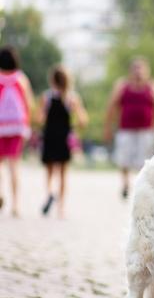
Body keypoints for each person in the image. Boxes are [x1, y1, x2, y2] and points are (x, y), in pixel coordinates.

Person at [103, 58, 154, 199]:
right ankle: (125, 184)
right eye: (135, 69)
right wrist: (107, 127)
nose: (138, 72)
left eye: (141, 69)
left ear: (147, 71)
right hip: (125, 129)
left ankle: (141, 184)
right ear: (130, 71)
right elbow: (111, 106)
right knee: (124, 158)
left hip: (146, 130)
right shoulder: (122, 85)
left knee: (144, 160)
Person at [38, 65, 88, 218]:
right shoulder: (72, 98)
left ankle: (50, 193)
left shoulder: (46, 97)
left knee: (50, 171)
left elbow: (39, 119)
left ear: (52, 80)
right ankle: (61, 208)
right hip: (64, 138)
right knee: (63, 174)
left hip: (49, 137)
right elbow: (83, 121)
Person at [0, 46, 35, 218]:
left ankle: (0, 193)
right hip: (17, 126)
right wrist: (27, 124)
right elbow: (28, 103)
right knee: (14, 165)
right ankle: (15, 204)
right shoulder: (21, 78)